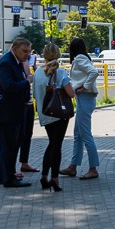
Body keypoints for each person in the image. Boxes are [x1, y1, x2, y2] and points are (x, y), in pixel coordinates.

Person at [0, 37, 34, 188]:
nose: (27, 54)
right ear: (14, 48)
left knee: (13, 145)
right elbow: (9, 87)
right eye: (24, 51)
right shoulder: (6, 63)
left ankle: (9, 176)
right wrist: (27, 81)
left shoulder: (17, 62)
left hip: (14, 110)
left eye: (29, 52)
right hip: (6, 111)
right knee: (8, 146)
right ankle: (8, 178)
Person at [32, 42, 73, 192]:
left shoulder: (37, 73)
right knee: (57, 145)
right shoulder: (60, 72)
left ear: (44, 55)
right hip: (59, 113)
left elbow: (35, 94)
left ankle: (44, 176)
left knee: (52, 143)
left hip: (45, 112)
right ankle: (54, 178)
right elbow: (71, 93)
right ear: (58, 55)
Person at [60, 37, 100, 180]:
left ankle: (93, 168)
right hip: (85, 99)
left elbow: (93, 72)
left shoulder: (79, 59)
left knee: (85, 134)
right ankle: (73, 166)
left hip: (85, 98)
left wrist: (85, 87)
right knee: (78, 134)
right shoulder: (84, 58)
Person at [16, 52, 38, 177]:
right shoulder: (15, 65)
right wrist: (28, 74)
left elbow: (31, 76)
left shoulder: (26, 62)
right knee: (18, 136)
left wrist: (31, 71)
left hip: (29, 103)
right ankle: (13, 166)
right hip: (21, 105)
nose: (27, 56)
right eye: (25, 52)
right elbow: (27, 78)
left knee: (28, 134)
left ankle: (24, 162)